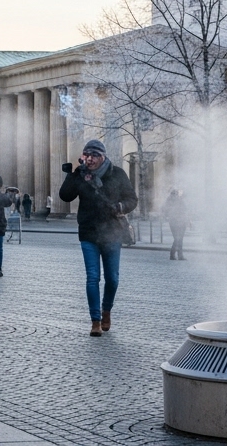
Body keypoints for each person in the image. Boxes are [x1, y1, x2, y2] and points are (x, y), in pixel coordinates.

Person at [58, 138, 137, 337]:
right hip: (89, 233)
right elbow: (65, 196)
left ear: (102, 157)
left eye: (94, 155)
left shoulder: (117, 173)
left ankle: (106, 311)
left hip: (112, 233)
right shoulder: (81, 174)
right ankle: (95, 321)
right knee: (92, 278)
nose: (90, 159)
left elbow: (132, 199)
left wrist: (121, 207)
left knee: (112, 279)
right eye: (87, 155)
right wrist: (72, 174)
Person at [164, 188, 188, 261]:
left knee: (179, 239)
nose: (176, 195)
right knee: (178, 238)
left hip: (180, 221)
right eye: (175, 194)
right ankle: (174, 254)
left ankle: (178, 255)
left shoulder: (178, 201)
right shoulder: (175, 201)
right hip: (176, 221)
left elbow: (185, 210)